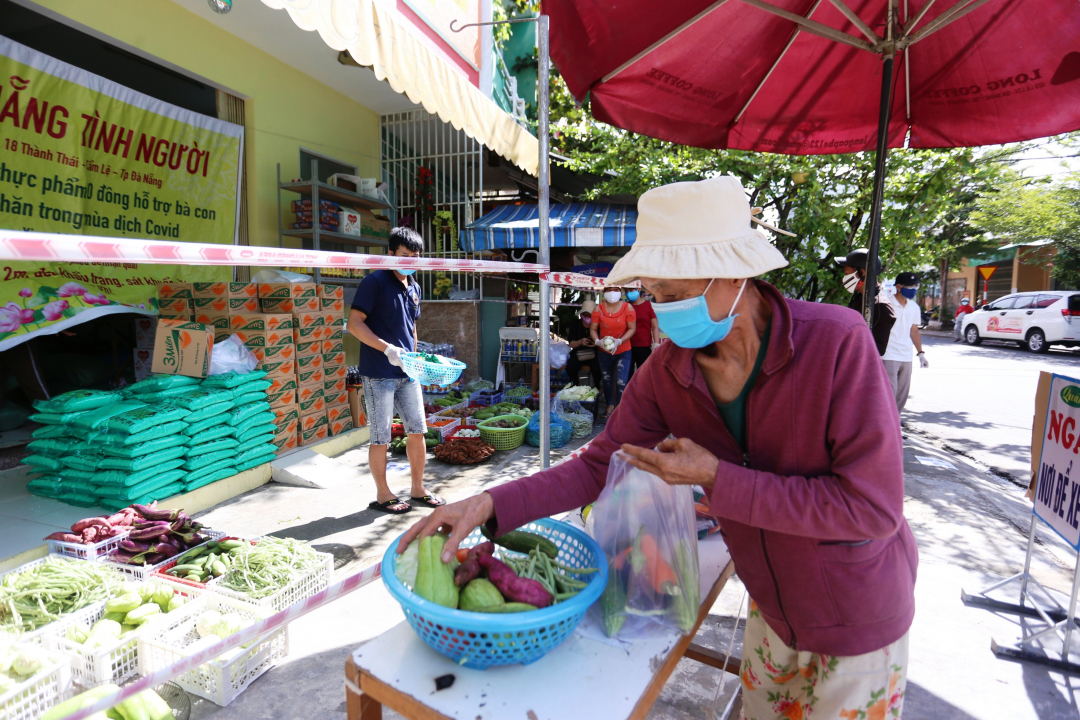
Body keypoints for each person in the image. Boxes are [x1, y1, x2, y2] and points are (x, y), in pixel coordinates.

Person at [403, 175, 916, 720]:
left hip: (858, 619)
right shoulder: (667, 373)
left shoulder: (836, 343)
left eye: (675, 295)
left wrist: (720, 479)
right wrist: (492, 503)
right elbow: (599, 465)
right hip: (771, 610)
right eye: (655, 295)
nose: (664, 312)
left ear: (734, 274)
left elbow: (872, 509)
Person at [346, 227, 444, 515]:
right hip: (378, 372)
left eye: (416, 257)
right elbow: (354, 324)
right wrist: (388, 349)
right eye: (405, 256)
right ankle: (383, 494)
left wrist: (413, 359)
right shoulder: (374, 282)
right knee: (381, 436)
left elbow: (412, 327)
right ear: (390, 254)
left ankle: (417, 488)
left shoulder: (414, 286)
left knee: (417, 431)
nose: (410, 262)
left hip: (407, 373)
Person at [834, 248, 896, 356]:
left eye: (846, 273)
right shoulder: (860, 297)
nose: (844, 277)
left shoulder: (881, 307)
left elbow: (877, 350)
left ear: (862, 272)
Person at [883, 272, 928, 414]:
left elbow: (914, 330)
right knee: (889, 393)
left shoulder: (914, 307)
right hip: (888, 354)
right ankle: (885, 427)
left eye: (916, 286)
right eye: (910, 286)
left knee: (902, 395)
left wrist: (921, 354)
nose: (914, 289)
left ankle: (895, 426)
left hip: (906, 356)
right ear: (899, 287)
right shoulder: (886, 304)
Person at [591, 287, 636, 418]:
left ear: (620, 291)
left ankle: (620, 409)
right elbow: (593, 329)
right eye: (609, 289)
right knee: (607, 379)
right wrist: (598, 341)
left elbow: (632, 328)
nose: (612, 292)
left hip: (623, 350)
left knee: (621, 381)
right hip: (604, 351)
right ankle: (610, 405)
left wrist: (619, 341)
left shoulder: (628, 308)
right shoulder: (598, 309)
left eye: (615, 289)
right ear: (604, 291)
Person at [563, 300, 601, 389]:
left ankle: (597, 387)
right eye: (586, 315)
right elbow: (571, 344)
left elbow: (603, 342)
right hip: (578, 353)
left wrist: (595, 344)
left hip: (594, 353)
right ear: (581, 315)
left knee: (598, 367)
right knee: (571, 367)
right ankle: (575, 386)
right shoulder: (576, 325)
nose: (588, 317)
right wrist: (580, 342)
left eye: (590, 315)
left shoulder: (598, 325)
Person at [627, 287, 658, 382]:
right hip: (627, 345)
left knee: (644, 376)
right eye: (627, 290)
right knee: (628, 376)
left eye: (631, 290)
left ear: (639, 289)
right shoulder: (625, 306)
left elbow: (655, 326)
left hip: (644, 346)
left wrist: (656, 344)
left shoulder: (649, 305)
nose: (629, 292)